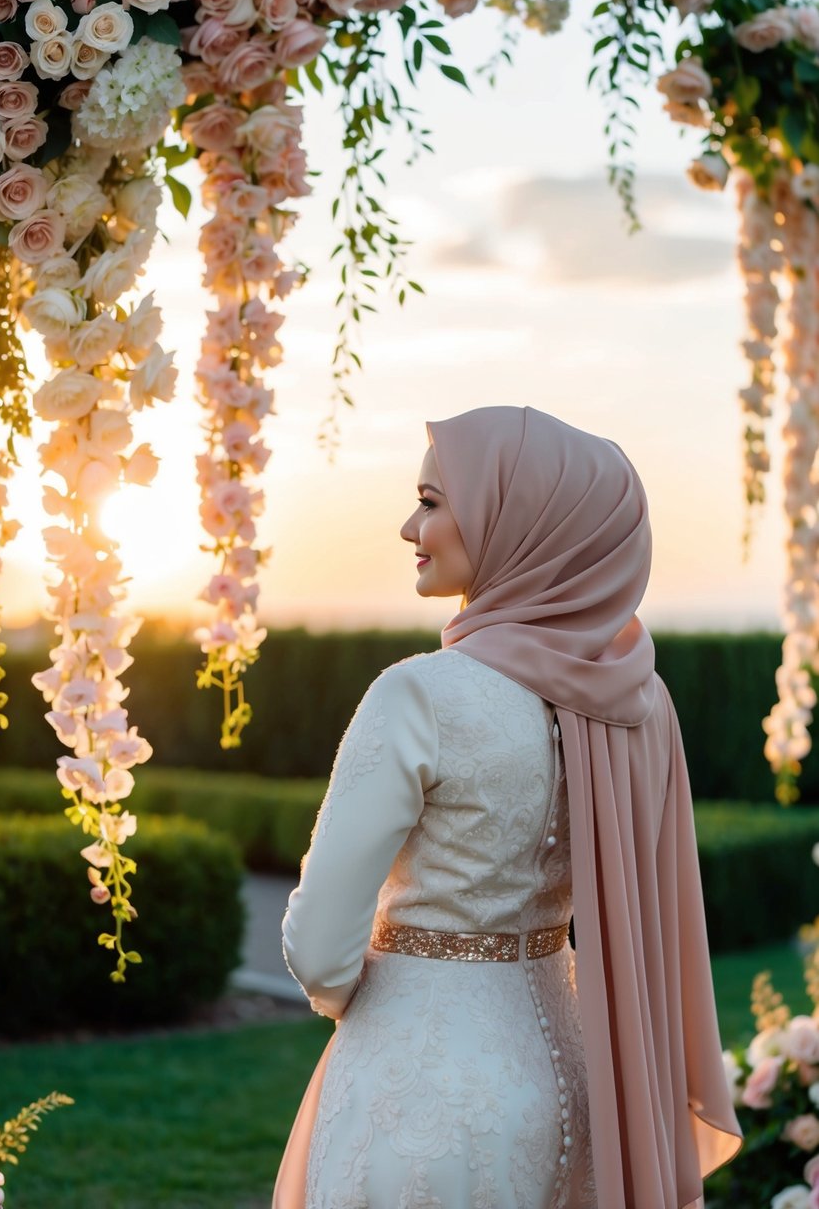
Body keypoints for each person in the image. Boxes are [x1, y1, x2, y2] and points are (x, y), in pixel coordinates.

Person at [273, 405, 742, 1209]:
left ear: (512, 519)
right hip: (585, 1085)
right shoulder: (634, 699)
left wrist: (385, 993)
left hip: (420, 1092)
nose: (407, 525)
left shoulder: (421, 693)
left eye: (431, 499)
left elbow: (320, 952)